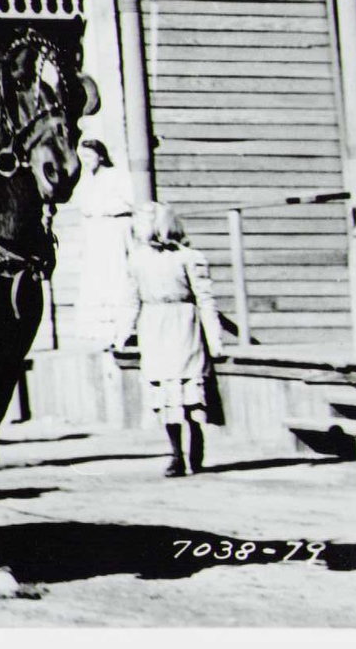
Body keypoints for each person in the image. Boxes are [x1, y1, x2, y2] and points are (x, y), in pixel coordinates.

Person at [117, 202, 226, 477]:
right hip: (154, 325)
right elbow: (131, 300)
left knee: (189, 392)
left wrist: (214, 338)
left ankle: (196, 447)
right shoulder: (138, 260)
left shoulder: (189, 257)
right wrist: (123, 333)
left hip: (184, 324)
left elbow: (205, 299)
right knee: (166, 395)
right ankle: (176, 455)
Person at [69, 139, 136, 346]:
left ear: (100, 155)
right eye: (83, 158)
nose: (86, 161)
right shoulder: (86, 180)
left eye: (89, 156)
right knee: (96, 279)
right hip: (95, 235)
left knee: (115, 276)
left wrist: (105, 209)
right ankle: (101, 333)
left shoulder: (116, 176)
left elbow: (130, 202)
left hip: (113, 231)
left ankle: (120, 330)